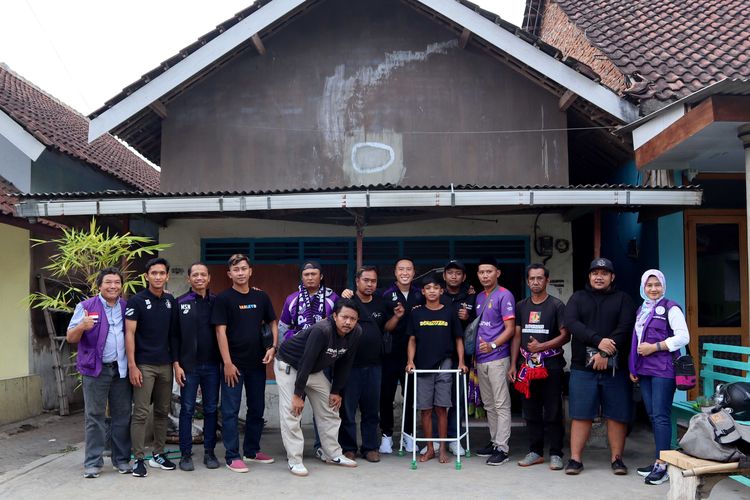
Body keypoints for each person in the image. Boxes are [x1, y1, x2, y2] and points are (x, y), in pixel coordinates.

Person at [564, 258, 636, 476]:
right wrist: (598, 341)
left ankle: (617, 459)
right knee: (580, 414)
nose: (599, 276)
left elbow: (626, 327)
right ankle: (575, 459)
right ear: (589, 276)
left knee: (617, 414)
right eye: (595, 272)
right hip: (582, 368)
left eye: (604, 273)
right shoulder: (577, 298)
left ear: (612, 277)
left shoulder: (623, 299)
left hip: (615, 369)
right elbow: (572, 323)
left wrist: (605, 352)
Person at [276, 299, 363, 476]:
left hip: (313, 369)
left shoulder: (356, 333)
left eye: (352, 319)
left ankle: (333, 453)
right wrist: (297, 394)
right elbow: (306, 361)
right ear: (335, 316)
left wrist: (336, 391)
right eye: (344, 317)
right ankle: (295, 460)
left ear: (357, 320)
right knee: (292, 412)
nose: (348, 322)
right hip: (290, 365)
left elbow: (346, 362)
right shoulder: (321, 330)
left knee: (330, 407)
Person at [212, 254, 279, 473]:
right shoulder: (223, 299)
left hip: (257, 364)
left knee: (257, 409)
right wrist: (228, 363)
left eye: (243, 268)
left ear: (250, 271)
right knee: (230, 411)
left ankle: (252, 450)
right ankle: (233, 455)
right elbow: (220, 332)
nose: (240, 273)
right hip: (234, 365)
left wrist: (272, 347)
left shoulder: (261, 297)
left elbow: (273, 322)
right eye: (235, 269)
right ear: (229, 274)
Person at [66, 267, 131, 478]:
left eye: (117, 283)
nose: (113, 286)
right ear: (99, 286)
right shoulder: (85, 307)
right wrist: (82, 326)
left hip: (121, 369)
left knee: (122, 416)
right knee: (95, 416)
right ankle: (93, 463)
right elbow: (70, 338)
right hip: (96, 370)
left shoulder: (126, 306)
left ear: (121, 286)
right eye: (108, 283)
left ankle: (121, 460)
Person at [629, 269, 689, 485]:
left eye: (657, 285)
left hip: (664, 370)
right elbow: (635, 342)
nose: (653, 289)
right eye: (649, 285)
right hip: (645, 370)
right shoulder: (642, 310)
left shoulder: (671, 308)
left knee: (661, 416)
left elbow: (683, 337)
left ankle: (663, 465)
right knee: (653, 416)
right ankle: (659, 459)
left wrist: (655, 347)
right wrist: (633, 367)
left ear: (663, 286)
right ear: (643, 288)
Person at [511, 263, 569, 471]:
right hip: (526, 367)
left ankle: (556, 453)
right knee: (531, 411)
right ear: (527, 281)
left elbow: (565, 335)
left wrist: (541, 346)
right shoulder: (521, 305)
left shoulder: (556, 305)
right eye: (532, 278)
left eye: (539, 278)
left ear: (547, 280)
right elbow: (517, 335)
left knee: (553, 411)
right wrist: (513, 364)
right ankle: (535, 451)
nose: (535, 282)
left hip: (551, 366)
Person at [406, 273, 468, 463]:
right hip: (423, 366)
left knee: (441, 408)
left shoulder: (449, 311)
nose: (432, 291)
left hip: (445, 364)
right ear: (423, 292)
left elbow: (458, 338)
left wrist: (461, 361)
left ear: (441, 291)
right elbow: (412, 339)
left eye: (435, 288)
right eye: (428, 288)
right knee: (425, 409)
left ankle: (442, 449)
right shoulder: (416, 313)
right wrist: (410, 361)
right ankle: (430, 448)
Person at [126, 257, 179, 477]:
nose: (158, 277)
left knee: (161, 411)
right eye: (153, 273)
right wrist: (132, 365)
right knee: (140, 413)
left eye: (161, 273)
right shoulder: (136, 301)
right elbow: (129, 333)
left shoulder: (170, 300)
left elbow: (174, 335)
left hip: (165, 365)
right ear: (146, 276)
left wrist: (175, 364)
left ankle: (158, 453)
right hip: (144, 365)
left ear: (167, 276)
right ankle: (138, 458)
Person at [338, 265, 396, 463]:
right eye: (366, 280)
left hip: (375, 365)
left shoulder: (381, 302)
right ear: (357, 281)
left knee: (372, 409)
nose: (370, 284)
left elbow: (386, 327)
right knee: (348, 410)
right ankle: (348, 447)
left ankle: (370, 447)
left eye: (373, 281)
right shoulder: (347, 301)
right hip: (349, 366)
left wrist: (397, 316)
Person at [171, 262, 220, 471]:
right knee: (187, 410)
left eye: (203, 275)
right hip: (188, 366)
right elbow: (173, 336)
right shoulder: (180, 302)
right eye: (195, 275)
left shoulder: (218, 302)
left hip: (212, 366)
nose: (199, 278)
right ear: (188, 279)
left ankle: (209, 453)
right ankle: (185, 455)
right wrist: (176, 364)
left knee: (210, 409)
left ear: (209, 278)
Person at [473, 256, 517, 466]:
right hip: (481, 359)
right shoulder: (480, 297)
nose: (485, 275)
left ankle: (503, 447)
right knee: (489, 404)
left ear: (497, 273)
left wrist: (492, 345)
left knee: (501, 404)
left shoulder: (505, 295)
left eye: (489, 271)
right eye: (481, 272)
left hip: (498, 358)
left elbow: (510, 329)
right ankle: (494, 441)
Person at [379, 258, 421, 454]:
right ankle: (386, 436)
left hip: (414, 354)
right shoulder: (386, 295)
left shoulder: (420, 294)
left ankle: (408, 436)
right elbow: (384, 328)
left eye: (409, 269)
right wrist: (397, 316)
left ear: (414, 272)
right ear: (395, 272)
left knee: (411, 396)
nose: (405, 272)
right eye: (401, 269)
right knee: (386, 396)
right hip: (390, 353)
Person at [279, 260, 339, 342]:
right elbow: (283, 327)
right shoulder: (291, 299)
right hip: (298, 345)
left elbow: (339, 324)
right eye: (306, 275)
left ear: (321, 276)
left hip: (324, 344)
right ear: (301, 277)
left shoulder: (333, 298)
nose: (310, 278)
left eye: (313, 274)